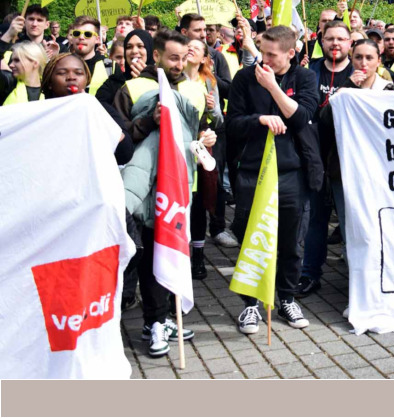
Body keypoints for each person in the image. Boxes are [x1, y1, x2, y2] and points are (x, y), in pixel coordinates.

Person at [116, 31, 212, 358]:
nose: (180, 64)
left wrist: (205, 137)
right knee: (153, 255)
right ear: (155, 56)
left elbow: (194, 132)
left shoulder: (190, 89)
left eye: (184, 58)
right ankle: (154, 321)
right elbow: (121, 136)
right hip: (150, 193)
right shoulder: (135, 88)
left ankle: (165, 318)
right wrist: (147, 120)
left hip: (183, 188)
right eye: (173, 58)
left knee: (172, 253)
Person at [227, 26, 320, 335]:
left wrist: (273, 89)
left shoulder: (304, 77)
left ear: (290, 54)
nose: (261, 59)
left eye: (270, 54)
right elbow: (233, 124)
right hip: (253, 171)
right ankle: (251, 304)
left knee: (292, 240)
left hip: (292, 172)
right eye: (260, 51)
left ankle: (287, 298)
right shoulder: (244, 77)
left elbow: (301, 117)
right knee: (252, 237)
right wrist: (259, 120)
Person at [300, 20, 354, 297]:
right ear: (321, 41)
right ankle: (309, 274)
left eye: (341, 39)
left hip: (348, 162)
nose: (335, 43)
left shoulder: (360, 72)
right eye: (330, 38)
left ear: (350, 43)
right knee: (315, 220)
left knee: (349, 221)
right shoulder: (311, 72)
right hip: (316, 157)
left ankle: (356, 277)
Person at [185, 38, 225, 280]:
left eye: (197, 48)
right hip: (178, 148)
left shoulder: (209, 82)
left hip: (201, 150)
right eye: (187, 45)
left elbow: (219, 121)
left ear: (203, 59)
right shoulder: (171, 79)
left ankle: (198, 256)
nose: (191, 49)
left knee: (200, 202)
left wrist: (212, 108)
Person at [66, 16, 109, 95]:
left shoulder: (110, 66)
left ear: (97, 39)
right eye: (77, 33)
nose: (81, 37)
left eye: (88, 34)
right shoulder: (62, 65)